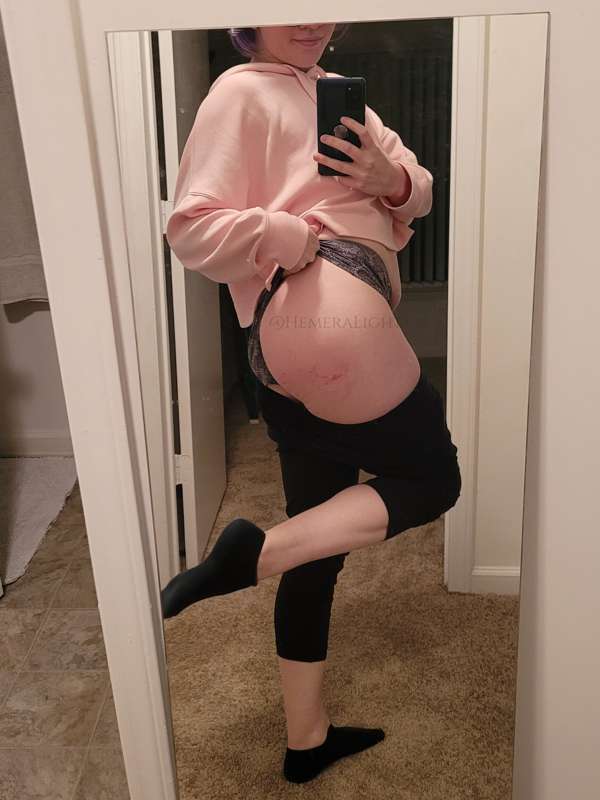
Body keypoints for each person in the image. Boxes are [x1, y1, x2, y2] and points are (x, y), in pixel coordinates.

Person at [162, 22, 462, 784]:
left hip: (295, 349)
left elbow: (421, 190)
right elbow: (189, 227)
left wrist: (391, 180)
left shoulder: (338, 98)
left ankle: (306, 740)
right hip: (324, 306)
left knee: (316, 547)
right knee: (435, 478)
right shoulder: (239, 93)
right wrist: (286, 234)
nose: (309, 19)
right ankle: (252, 554)